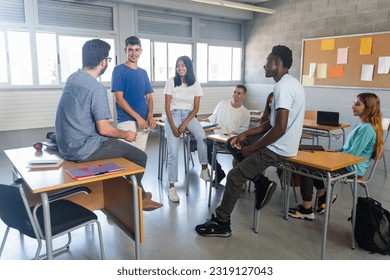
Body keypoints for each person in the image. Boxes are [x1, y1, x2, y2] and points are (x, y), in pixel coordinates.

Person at [195, 45, 305, 237]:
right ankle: (261, 182)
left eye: (267, 61)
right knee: (232, 142)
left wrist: (252, 147)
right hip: (279, 142)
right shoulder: (291, 83)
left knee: (235, 176)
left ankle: (222, 223)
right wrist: (245, 136)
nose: (264, 65)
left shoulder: (283, 87)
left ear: (276, 63)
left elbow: (280, 128)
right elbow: (270, 125)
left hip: (278, 148)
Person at [55, 39, 163, 211]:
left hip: (66, 144)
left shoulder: (72, 78)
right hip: (83, 148)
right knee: (139, 157)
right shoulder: (96, 88)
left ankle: (135, 192)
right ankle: (138, 198)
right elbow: (104, 129)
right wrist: (126, 135)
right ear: (103, 62)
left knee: (121, 151)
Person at [288, 92, 384, 220]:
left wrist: (328, 158)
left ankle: (307, 209)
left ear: (368, 108)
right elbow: (346, 150)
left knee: (307, 169)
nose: (352, 106)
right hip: (347, 163)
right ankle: (323, 198)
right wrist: (329, 153)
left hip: (351, 168)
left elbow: (351, 156)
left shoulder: (366, 129)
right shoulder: (361, 126)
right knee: (312, 163)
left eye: (357, 104)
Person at [164, 55, 211, 203]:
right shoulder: (171, 82)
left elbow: (196, 108)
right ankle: (171, 187)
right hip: (173, 115)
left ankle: (204, 169)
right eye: (178, 65)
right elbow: (167, 107)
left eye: (183, 65)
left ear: (188, 67)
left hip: (190, 116)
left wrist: (185, 124)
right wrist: (173, 126)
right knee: (173, 151)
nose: (180, 68)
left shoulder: (195, 84)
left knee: (202, 136)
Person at [198, 85, 250, 186]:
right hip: (217, 137)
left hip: (231, 140)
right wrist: (202, 120)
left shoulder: (245, 113)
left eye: (238, 93)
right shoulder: (222, 104)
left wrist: (234, 134)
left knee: (240, 154)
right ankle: (219, 172)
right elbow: (212, 118)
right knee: (204, 147)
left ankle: (239, 180)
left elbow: (244, 130)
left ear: (244, 96)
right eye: (234, 92)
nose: (235, 95)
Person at [111, 36, 156, 151]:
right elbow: (119, 99)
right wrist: (138, 118)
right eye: (130, 49)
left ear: (140, 51)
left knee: (139, 157)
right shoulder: (119, 70)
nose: (133, 53)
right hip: (127, 120)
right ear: (125, 50)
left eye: (136, 50)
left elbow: (149, 98)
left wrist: (150, 116)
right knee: (126, 159)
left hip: (144, 121)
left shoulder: (143, 73)